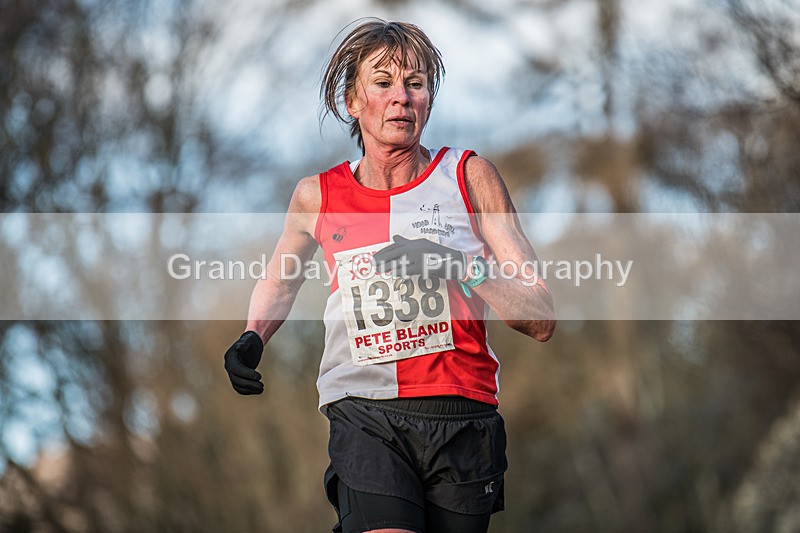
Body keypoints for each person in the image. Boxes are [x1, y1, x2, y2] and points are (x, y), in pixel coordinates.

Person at [224, 19, 556, 533]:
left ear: (428, 98)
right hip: (364, 410)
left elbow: (539, 315)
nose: (401, 98)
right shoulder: (317, 195)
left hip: (461, 412)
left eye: (416, 83)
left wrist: (454, 263)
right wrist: (253, 336)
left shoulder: (469, 177)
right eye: (383, 83)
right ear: (352, 101)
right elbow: (281, 280)